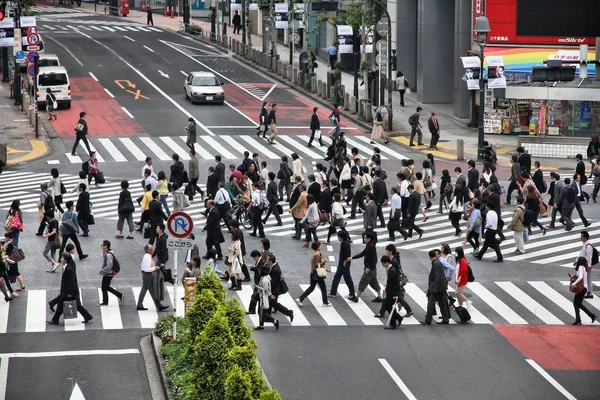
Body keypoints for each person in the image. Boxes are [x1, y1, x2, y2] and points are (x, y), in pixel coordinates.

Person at [47, 252, 93, 325]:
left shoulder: (68, 269)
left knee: (75, 305)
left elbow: (71, 282)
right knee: (62, 305)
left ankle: (87, 316)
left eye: (62, 258)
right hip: (67, 291)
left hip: (69, 292)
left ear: (66, 260)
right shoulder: (67, 266)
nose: (61, 259)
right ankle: (55, 319)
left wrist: (69, 293)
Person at [347, 232, 382, 302]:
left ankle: (356, 298)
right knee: (374, 282)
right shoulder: (369, 245)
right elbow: (363, 253)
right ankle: (379, 297)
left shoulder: (371, 246)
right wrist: (352, 258)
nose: (364, 239)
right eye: (364, 238)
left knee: (363, 282)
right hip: (372, 269)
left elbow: (374, 259)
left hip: (370, 269)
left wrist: (368, 267)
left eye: (365, 238)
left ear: (369, 239)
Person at [296, 241, 331, 307]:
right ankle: (325, 302)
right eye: (320, 245)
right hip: (317, 274)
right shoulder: (317, 255)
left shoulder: (315, 253)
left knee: (312, 287)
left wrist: (325, 268)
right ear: (318, 247)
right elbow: (317, 265)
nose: (321, 246)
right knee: (323, 287)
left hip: (313, 273)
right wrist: (324, 262)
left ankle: (301, 299)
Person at [136, 244, 169, 311]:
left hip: (146, 275)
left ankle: (139, 304)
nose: (154, 250)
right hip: (147, 275)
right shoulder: (147, 258)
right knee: (153, 291)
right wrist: (155, 268)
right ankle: (158, 305)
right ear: (150, 250)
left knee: (144, 290)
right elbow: (146, 269)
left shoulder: (147, 256)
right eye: (152, 248)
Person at [422, 249, 450, 325]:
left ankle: (428, 320)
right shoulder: (438, 262)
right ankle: (446, 319)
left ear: (429, 257)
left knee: (431, 302)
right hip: (442, 286)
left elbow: (437, 277)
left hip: (437, 288)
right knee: (442, 303)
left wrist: (433, 288)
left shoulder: (435, 264)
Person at [378, 255, 404, 329]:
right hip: (389, 291)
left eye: (383, 264)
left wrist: (395, 294)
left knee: (389, 307)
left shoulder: (392, 271)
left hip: (392, 293)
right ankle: (398, 318)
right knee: (388, 306)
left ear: (386, 263)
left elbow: (394, 284)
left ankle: (393, 324)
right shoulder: (390, 269)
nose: (383, 265)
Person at [570, 257, 597, 325]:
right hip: (584, 288)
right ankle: (591, 316)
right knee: (578, 304)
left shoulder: (580, 267)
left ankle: (578, 319)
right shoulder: (583, 267)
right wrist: (573, 277)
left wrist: (574, 283)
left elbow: (580, 277)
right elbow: (579, 276)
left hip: (581, 288)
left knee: (576, 303)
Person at [97, 240, 124, 306]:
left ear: (106, 246)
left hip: (108, 273)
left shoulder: (108, 255)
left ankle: (106, 301)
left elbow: (109, 265)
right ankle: (119, 295)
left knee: (104, 287)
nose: (101, 246)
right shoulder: (107, 253)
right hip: (109, 272)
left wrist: (102, 270)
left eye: (102, 245)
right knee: (106, 287)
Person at [255, 267, 279, 331]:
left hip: (264, 297)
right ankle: (261, 325)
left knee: (262, 312)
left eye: (260, 270)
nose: (259, 272)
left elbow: (265, 290)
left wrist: (258, 287)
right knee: (261, 312)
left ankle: (274, 321)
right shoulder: (265, 278)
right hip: (264, 296)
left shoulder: (264, 280)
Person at [576, 231, 596, 299]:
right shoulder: (585, 244)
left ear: (585, 237)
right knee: (587, 278)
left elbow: (589, 256)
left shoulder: (588, 245)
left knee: (586, 278)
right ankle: (589, 292)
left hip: (586, 264)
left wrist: (589, 266)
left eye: (581, 236)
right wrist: (577, 261)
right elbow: (582, 253)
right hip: (585, 264)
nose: (580, 238)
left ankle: (587, 292)